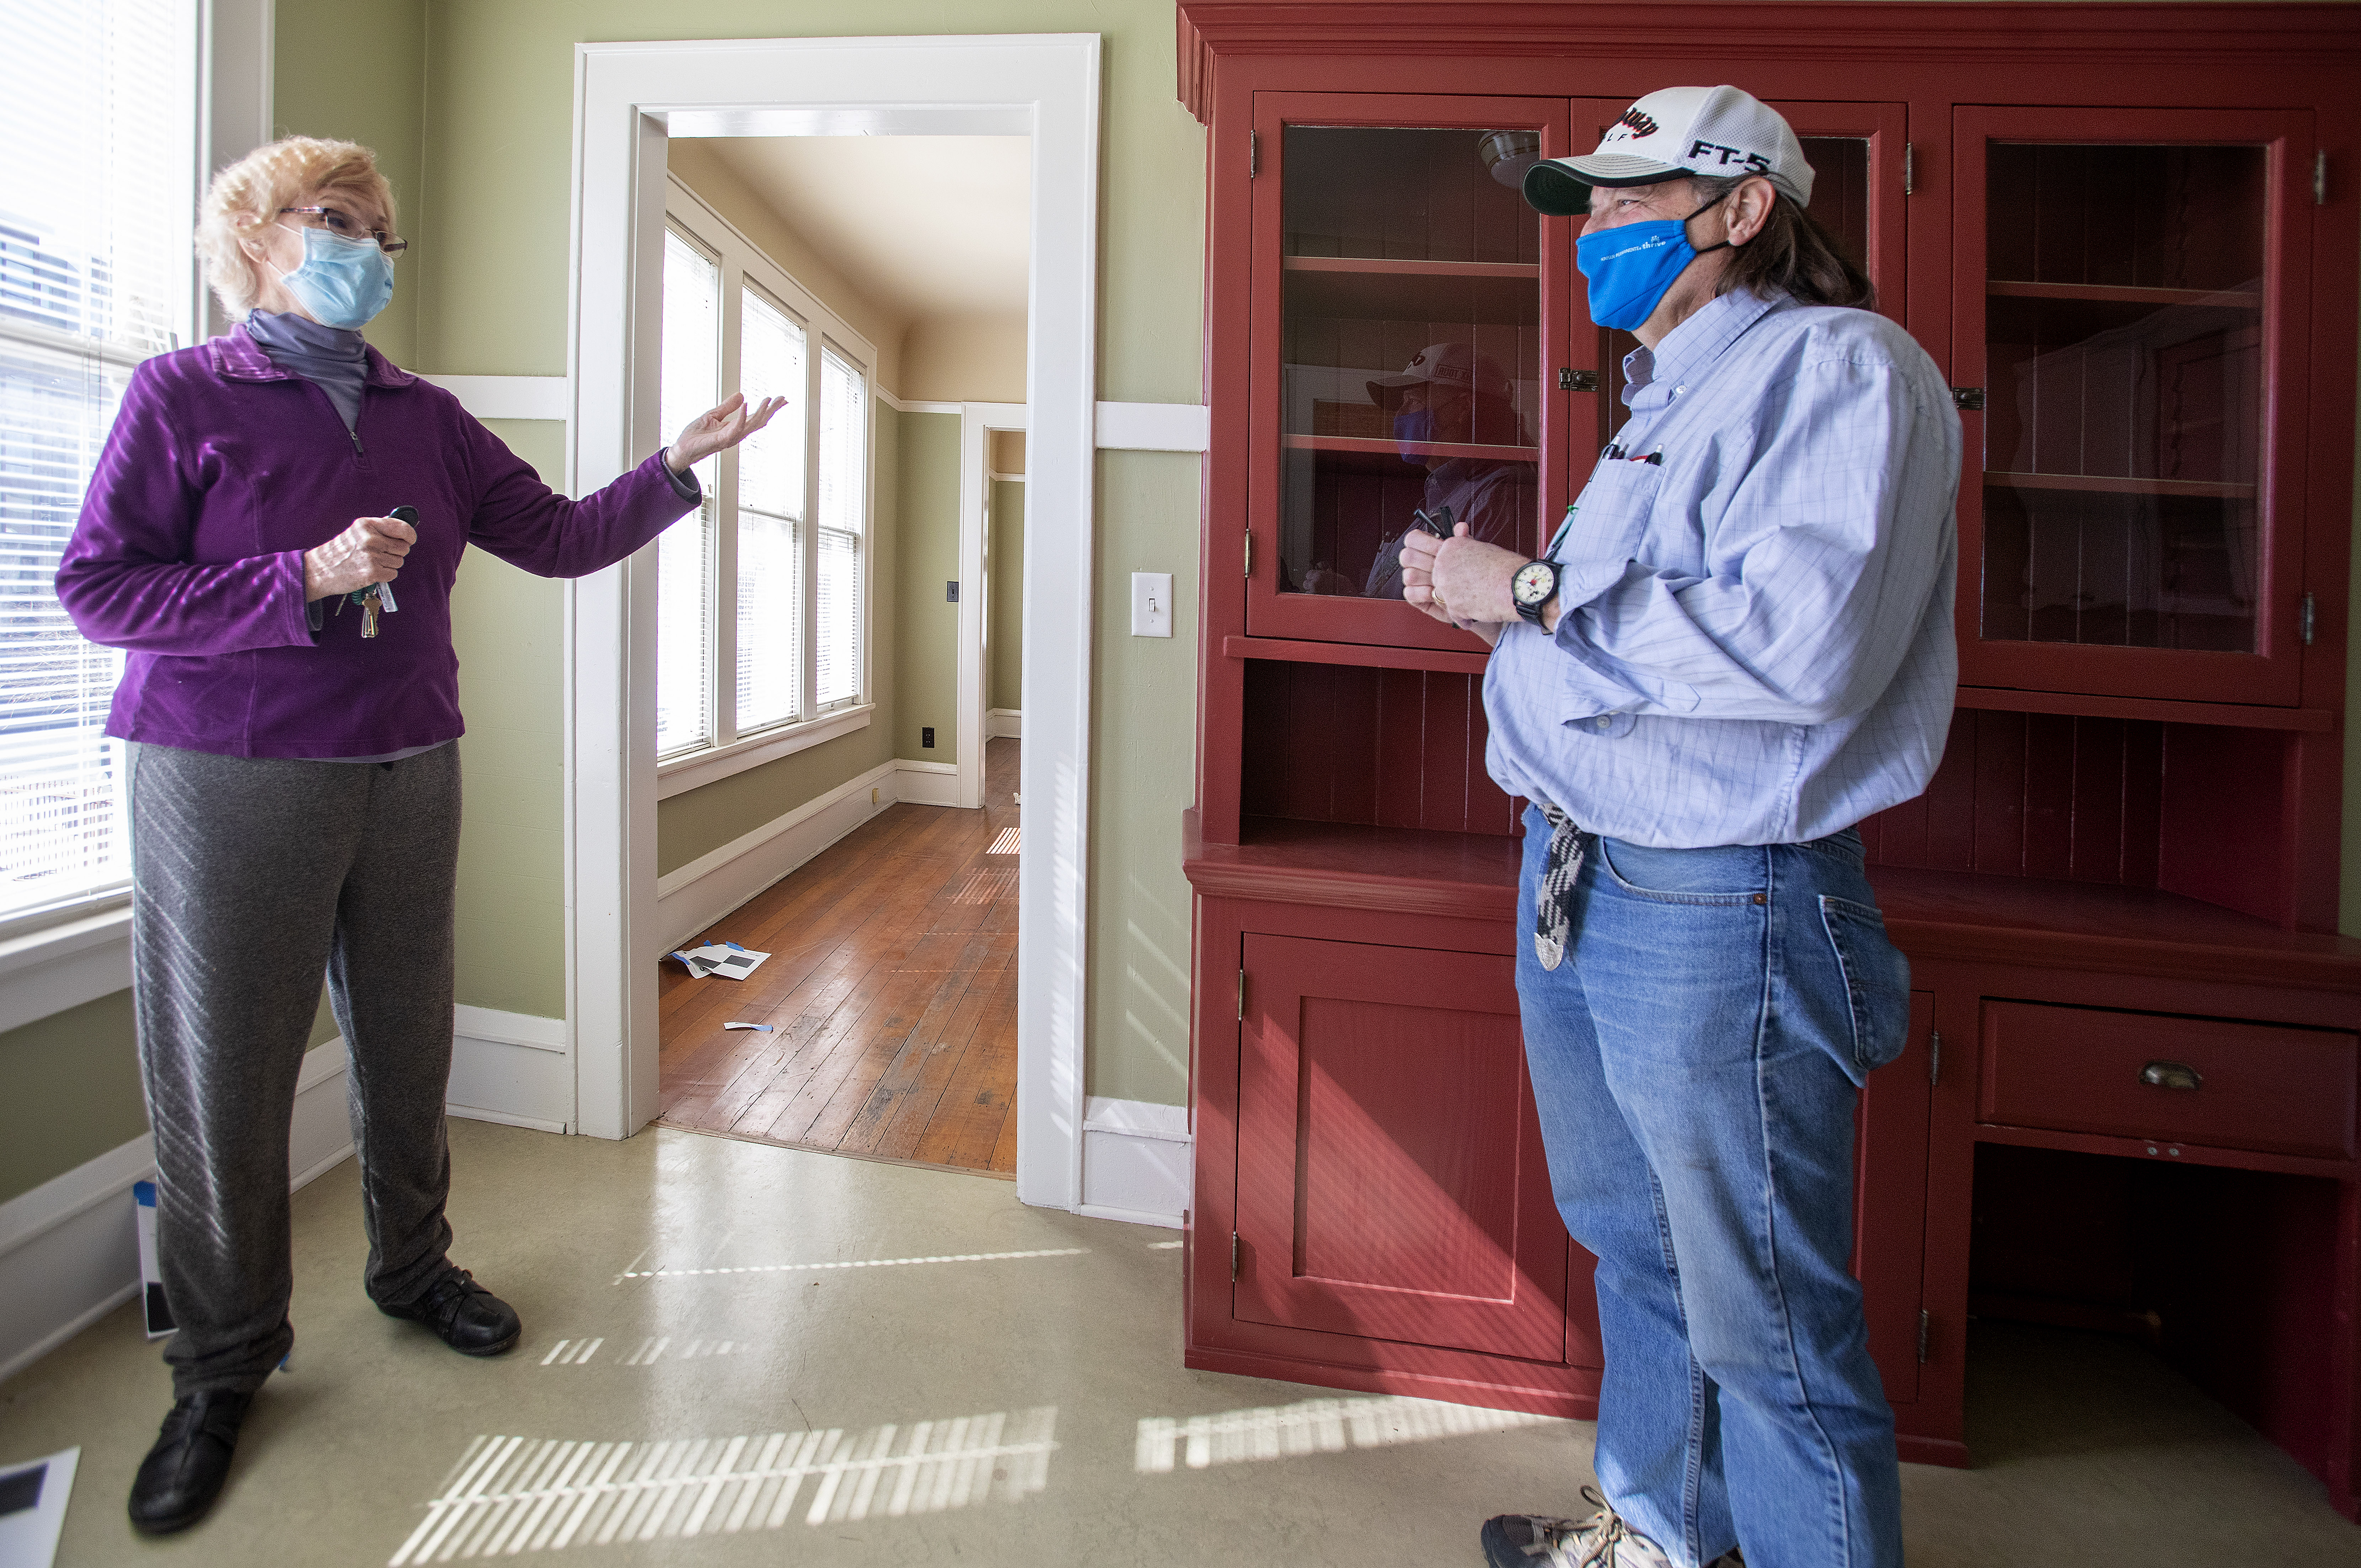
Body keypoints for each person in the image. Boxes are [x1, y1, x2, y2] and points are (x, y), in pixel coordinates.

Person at [53, 136, 782, 1536]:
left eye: (383, 233)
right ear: (256, 236)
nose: (368, 250)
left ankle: (412, 1267)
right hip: (229, 774)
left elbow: (559, 535)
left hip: (410, 762)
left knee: (406, 1038)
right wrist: (299, 578)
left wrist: (674, 469)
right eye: (340, 221)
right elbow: (96, 589)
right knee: (227, 1076)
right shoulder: (180, 395)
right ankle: (218, 1365)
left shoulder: (424, 415)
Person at [1397, 86, 1959, 1568]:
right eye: (1587, 207)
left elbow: (1804, 647)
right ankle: (1658, 1536)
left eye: (1631, 204)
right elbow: (1640, 653)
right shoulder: (1665, 402)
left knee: (1762, 1313)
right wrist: (1499, 610)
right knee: (1638, 1251)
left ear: (1747, 209)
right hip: (1586, 872)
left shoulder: (1841, 369)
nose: (1595, 235)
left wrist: (1524, 593)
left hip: (1723, 901)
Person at [1357, 342, 1533, 599]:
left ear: (1463, 407)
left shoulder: (1501, 495)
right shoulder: (1448, 491)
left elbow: (1471, 613)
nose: (1400, 414)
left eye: (1413, 400)